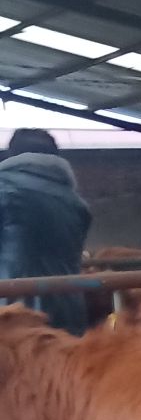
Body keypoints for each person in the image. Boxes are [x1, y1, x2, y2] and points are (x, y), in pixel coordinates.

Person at [0, 128, 93, 334]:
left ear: (11, 155)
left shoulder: (4, 190)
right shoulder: (75, 202)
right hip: (69, 315)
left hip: (13, 320)